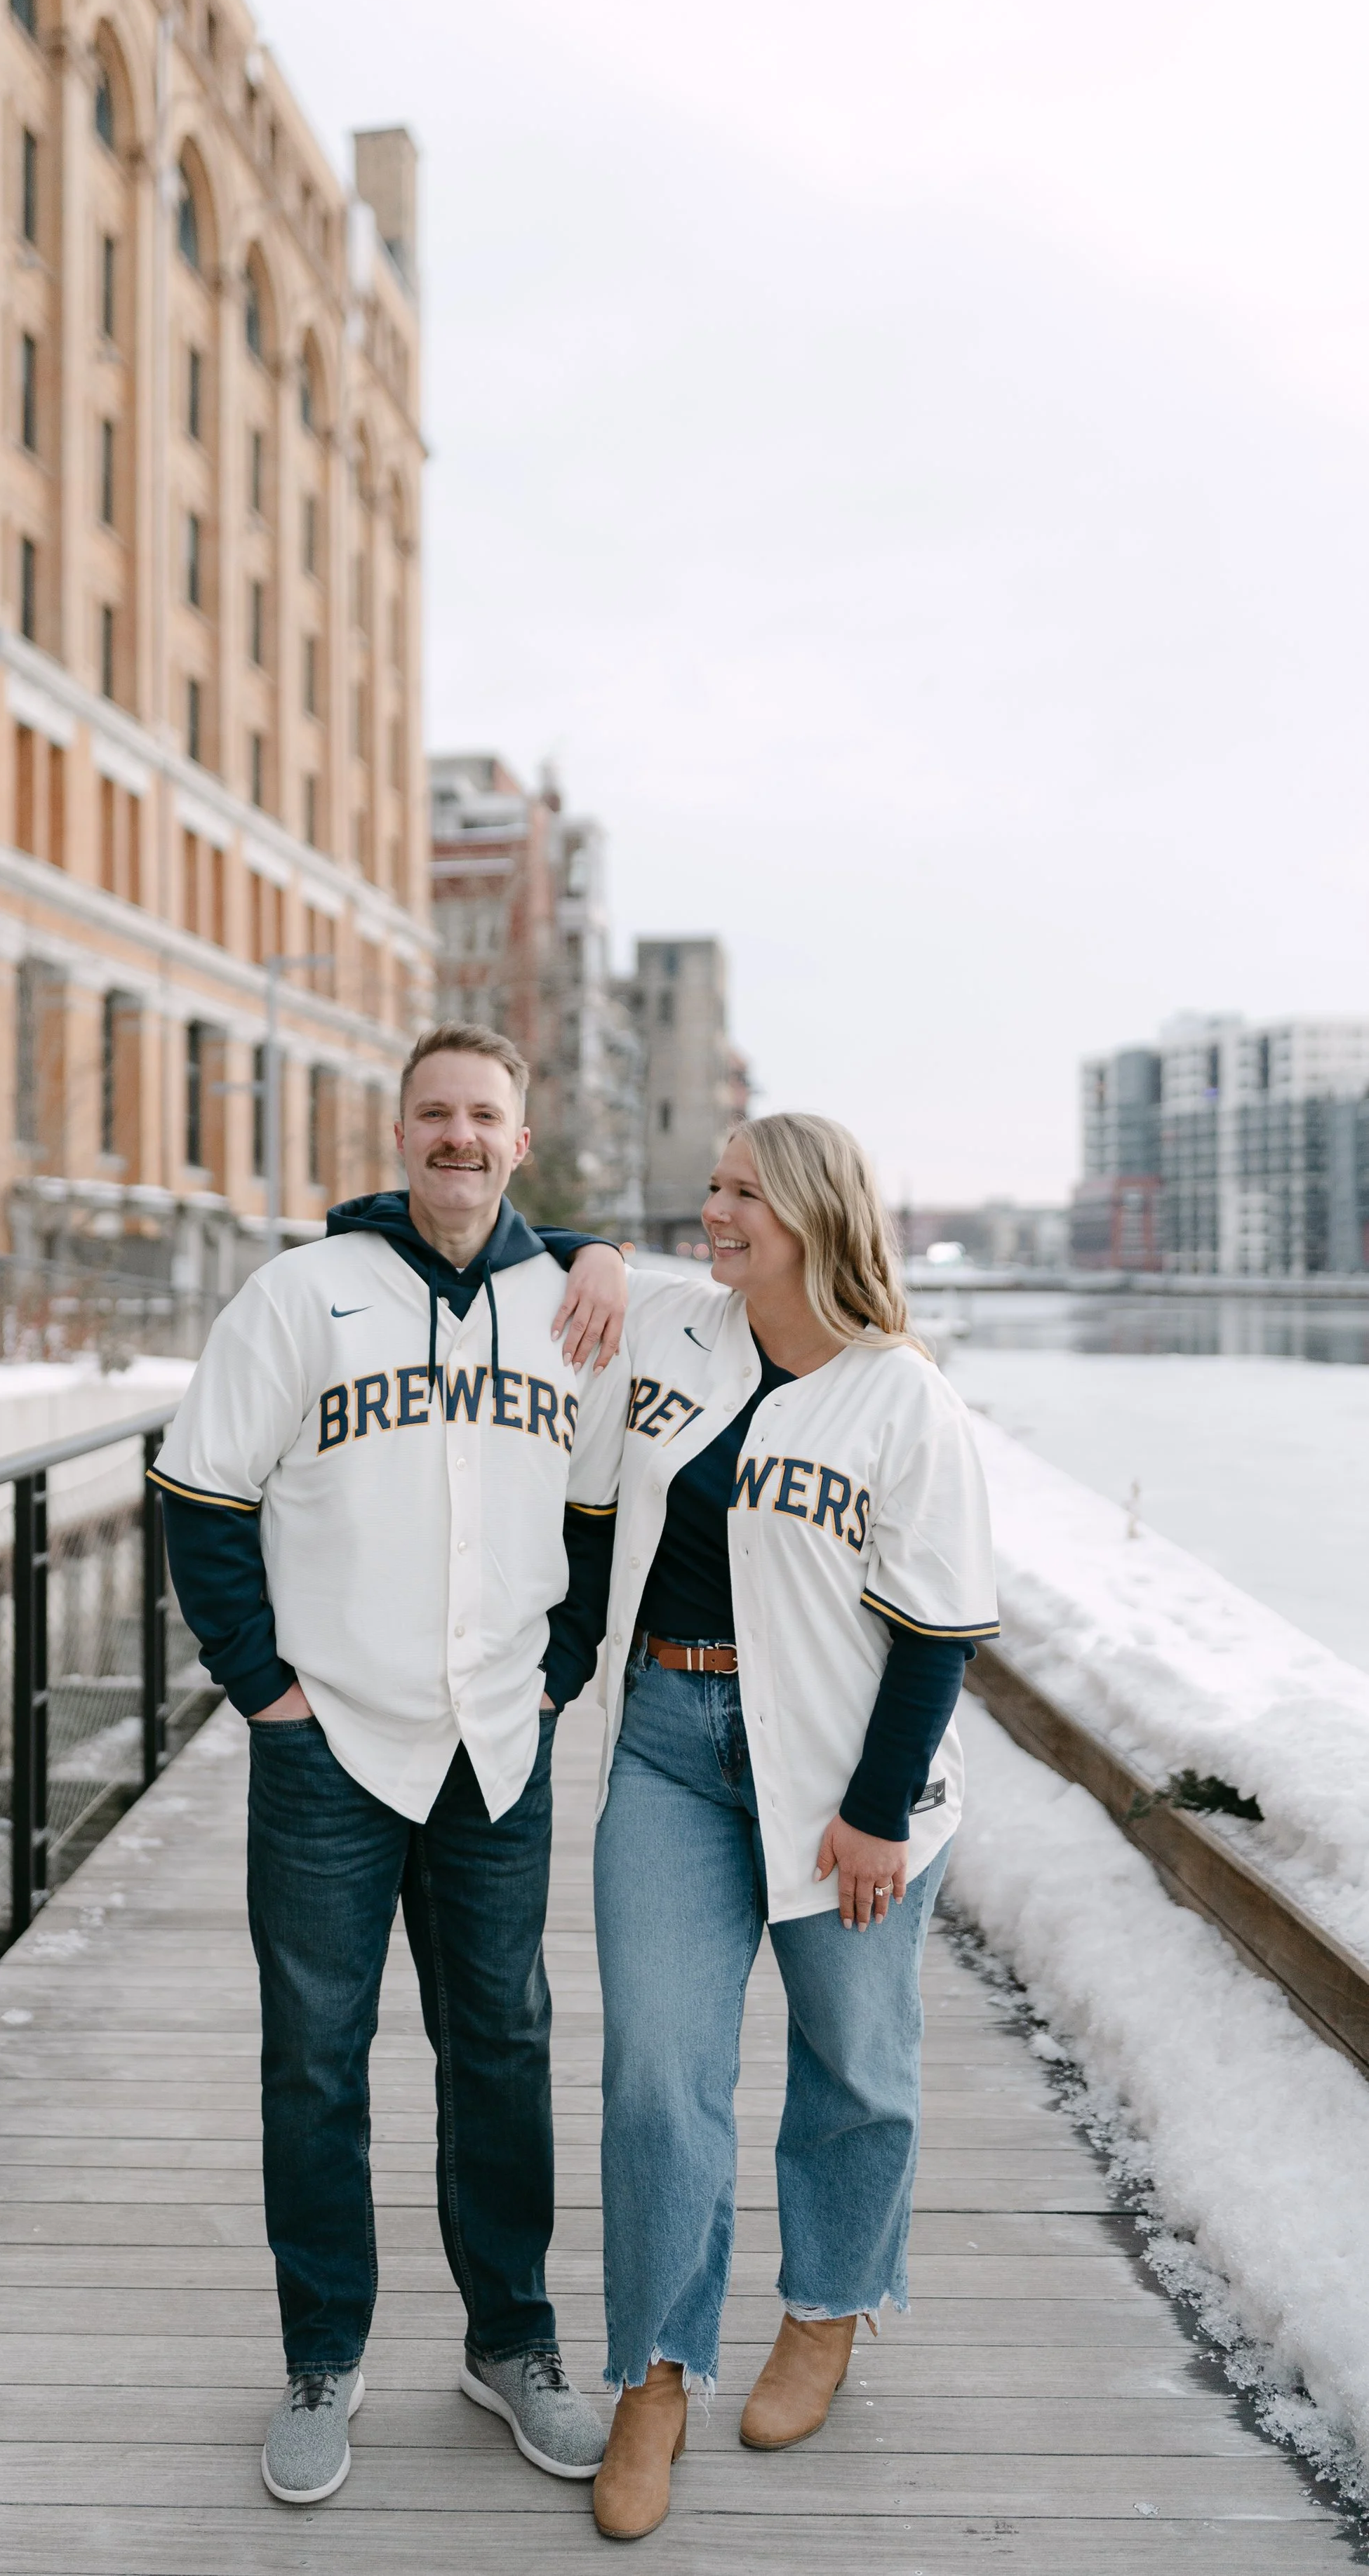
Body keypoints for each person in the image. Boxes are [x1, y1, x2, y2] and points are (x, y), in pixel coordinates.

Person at [152, 1022, 630, 2507]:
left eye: (484, 1115)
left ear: (519, 1140)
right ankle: (322, 2357)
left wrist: (557, 1675)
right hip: (330, 1745)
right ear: (398, 1130)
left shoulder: (573, 1308)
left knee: (500, 2048)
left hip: (496, 1742)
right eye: (434, 1113)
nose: (458, 1138)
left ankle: (512, 2344)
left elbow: (598, 1516)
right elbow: (198, 1494)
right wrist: (262, 1688)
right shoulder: (303, 1293)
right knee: (315, 2060)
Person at [586, 1113, 999, 2542]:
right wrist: (584, 1249)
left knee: (854, 2064)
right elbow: (534, 1265)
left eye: (741, 1193)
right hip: (663, 1749)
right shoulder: (672, 1334)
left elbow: (937, 1628)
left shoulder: (901, 1399)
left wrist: (876, 1813)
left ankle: (824, 2308)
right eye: (703, 1187)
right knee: (654, 2074)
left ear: (815, 1215)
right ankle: (653, 2371)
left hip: (840, 1783)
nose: (711, 1212)